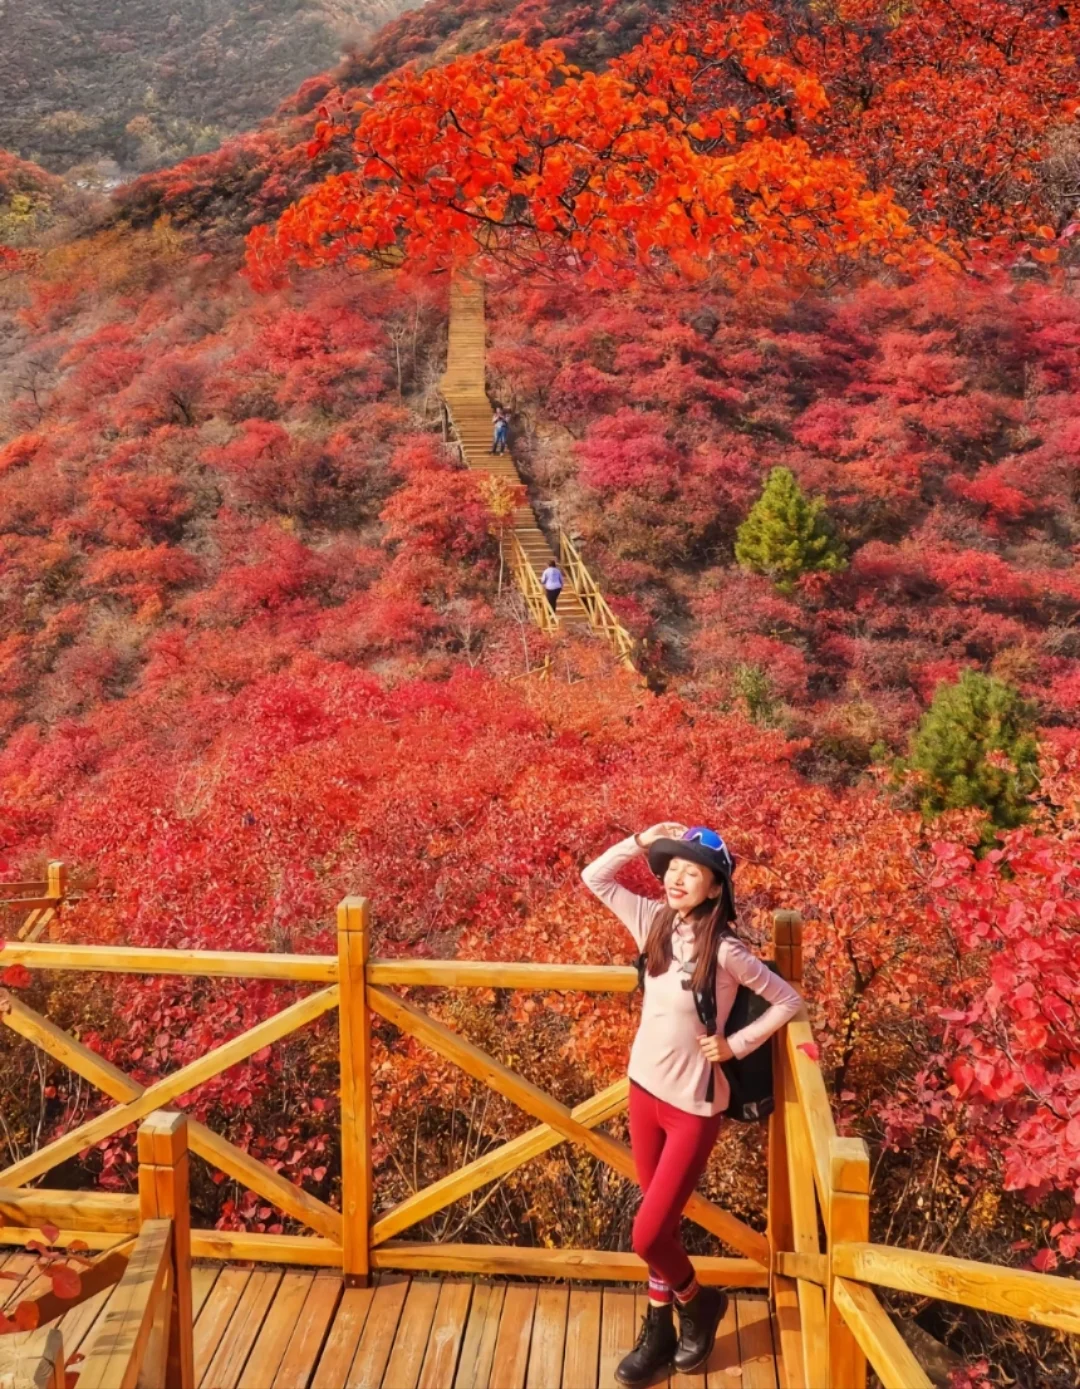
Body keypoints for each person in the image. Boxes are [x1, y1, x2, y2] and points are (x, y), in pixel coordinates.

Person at [581, 822, 802, 1385]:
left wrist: (734, 1044)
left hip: (693, 1108)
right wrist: (641, 841)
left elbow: (788, 999)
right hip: (641, 1091)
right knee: (664, 1227)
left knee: (647, 1235)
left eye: (692, 873)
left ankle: (699, 1303)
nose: (677, 878)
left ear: (714, 888)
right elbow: (594, 877)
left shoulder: (726, 950)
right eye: (672, 868)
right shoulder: (653, 923)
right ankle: (661, 1329)